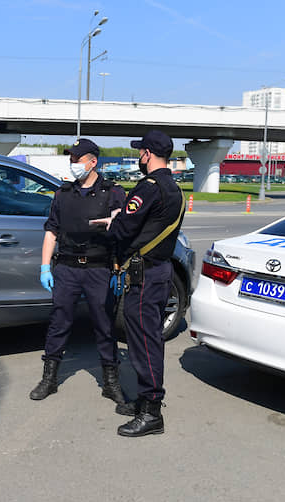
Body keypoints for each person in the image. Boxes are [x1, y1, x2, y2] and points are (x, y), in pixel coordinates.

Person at [90, 130, 184, 437]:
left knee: (144, 342)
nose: (138, 158)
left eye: (140, 153)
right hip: (158, 272)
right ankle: (146, 400)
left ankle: (152, 411)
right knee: (147, 338)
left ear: (147, 154)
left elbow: (124, 229)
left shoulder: (149, 188)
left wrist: (112, 222)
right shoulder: (174, 188)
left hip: (144, 276)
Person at [30, 138, 128, 409]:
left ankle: (111, 382)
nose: (73, 164)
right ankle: (49, 378)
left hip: (99, 268)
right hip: (67, 268)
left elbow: (127, 227)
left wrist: (119, 265)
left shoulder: (113, 192)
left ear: (92, 162)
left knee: (104, 325)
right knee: (59, 322)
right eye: (71, 159)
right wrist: (45, 266)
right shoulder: (63, 193)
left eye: (77, 159)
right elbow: (51, 231)